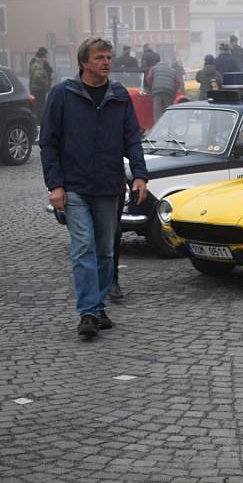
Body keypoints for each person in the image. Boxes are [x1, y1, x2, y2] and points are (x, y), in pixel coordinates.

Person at [39, 36, 148, 338]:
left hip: (109, 185)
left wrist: (139, 175)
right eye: (100, 57)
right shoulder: (62, 95)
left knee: (105, 251)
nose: (106, 62)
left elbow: (132, 139)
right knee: (84, 246)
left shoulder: (119, 96)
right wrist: (55, 185)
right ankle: (87, 312)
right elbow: (48, 142)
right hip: (74, 186)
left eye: (109, 57)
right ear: (84, 62)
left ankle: (99, 306)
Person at [29, 47, 53, 125]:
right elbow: (38, 76)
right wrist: (46, 85)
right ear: (43, 55)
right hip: (39, 89)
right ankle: (39, 122)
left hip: (36, 88)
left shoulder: (38, 63)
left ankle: (38, 121)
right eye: (45, 56)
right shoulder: (37, 63)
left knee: (38, 106)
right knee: (40, 106)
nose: (46, 58)